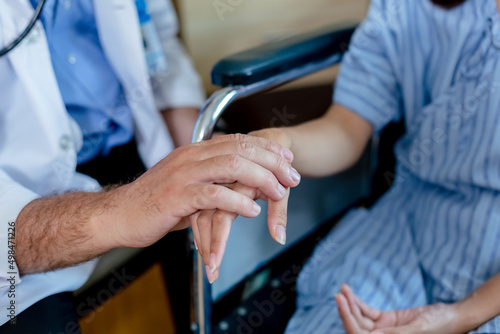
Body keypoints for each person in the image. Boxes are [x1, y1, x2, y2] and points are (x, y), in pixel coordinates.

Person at [194, 0, 500, 332]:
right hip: (408, 225)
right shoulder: (404, 10)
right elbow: (346, 129)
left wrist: (462, 316)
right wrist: (282, 145)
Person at [0, 0, 301, 331]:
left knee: (224, 255)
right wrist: (125, 208)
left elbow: (156, 39)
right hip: (19, 206)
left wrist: (205, 146)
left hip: (134, 138)